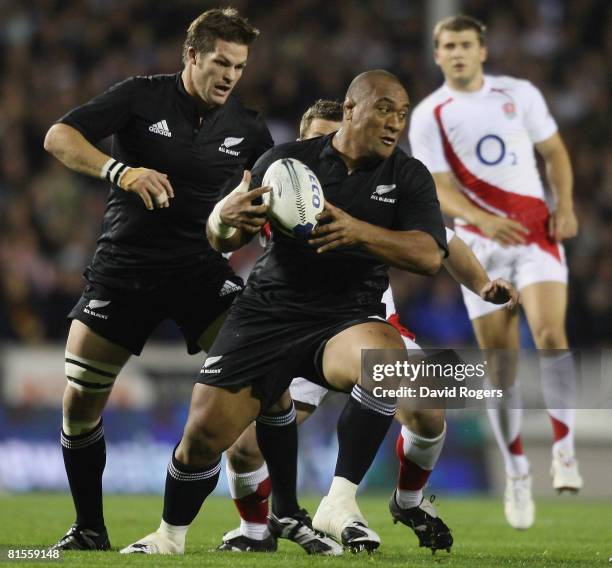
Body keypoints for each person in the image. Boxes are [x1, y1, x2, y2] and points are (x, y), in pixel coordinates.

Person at [120, 69, 449, 556]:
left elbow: (429, 255)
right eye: (383, 109)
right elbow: (226, 239)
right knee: (207, 435)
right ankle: (171, 535)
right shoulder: (286, 162)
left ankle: (339, 501)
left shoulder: (407, 175)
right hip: (269, 314)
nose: (394, 123)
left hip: (345, 319)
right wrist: (221, 220)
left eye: (401, 114)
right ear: (351, 108)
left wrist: (359, 231)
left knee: (388, 362)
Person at [218, 99, 519, 554]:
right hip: (290, 331)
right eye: (317, 139)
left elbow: (443, 239)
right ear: (302, 143)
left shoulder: (379, 189)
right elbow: (222, 239)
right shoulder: (274, 186)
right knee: (242, 445)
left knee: (433, 408)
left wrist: (481, 285)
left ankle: (409, 501)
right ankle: (256, 530)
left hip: (369, 328)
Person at [43, 8, 273, 551]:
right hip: (125, 270)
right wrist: (120, 170)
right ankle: (89, 530)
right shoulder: (140, 97)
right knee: (79, 404)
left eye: (239, 66)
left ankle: (268, 523)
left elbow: (256, 220)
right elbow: (59, 136)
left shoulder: (249, 129)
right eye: (221, 62)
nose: (230, 75)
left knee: (260, 386)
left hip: (201, 272)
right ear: (191, 55)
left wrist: (240, 228)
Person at [408, 15, 582, 531]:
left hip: (534, 235)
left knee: (551, 333)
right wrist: (485, 220)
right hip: (480, 248)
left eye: (466, 44)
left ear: (482, 50)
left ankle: (565, 450)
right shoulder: (429, 114)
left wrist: (566, 205)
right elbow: (437, 188)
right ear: (437, 55)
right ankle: (517, 472)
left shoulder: (519, 94)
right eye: (448, 46)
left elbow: (554, 153)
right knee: (500, 368)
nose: (458, 52)